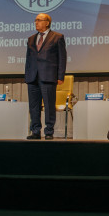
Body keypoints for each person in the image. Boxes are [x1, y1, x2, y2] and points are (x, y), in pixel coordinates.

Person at [25, 12, 67, 140]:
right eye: (35, 20)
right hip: (32, 77)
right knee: (33, 106)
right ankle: (35, 131)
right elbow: (28, 59)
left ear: (47, 22)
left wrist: (60, 76)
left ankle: (49, 131)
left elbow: (62, 58)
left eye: (39, 20)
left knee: (49, 106)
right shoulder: (31, 39)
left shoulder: (57, 37)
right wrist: (27, 75)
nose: (36, 22)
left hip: (48, 76)